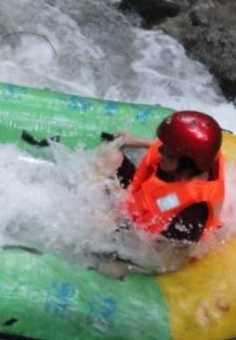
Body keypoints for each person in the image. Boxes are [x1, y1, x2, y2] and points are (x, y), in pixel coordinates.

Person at [96, 110, 225, 274]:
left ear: (187, 162)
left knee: (109, 269)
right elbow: (166, 148)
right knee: (109, 155)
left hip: (145, 234)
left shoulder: (193, 213)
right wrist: (136, 141)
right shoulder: (189, 162)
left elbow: (169, 257)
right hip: (143, 200)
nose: (161, 151)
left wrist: (115, 225)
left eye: (168, 152)